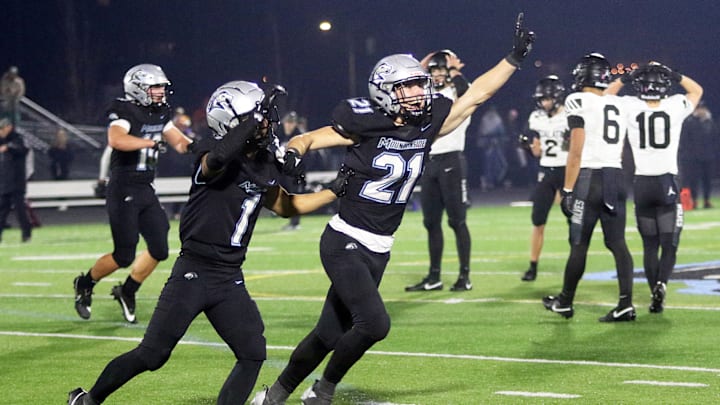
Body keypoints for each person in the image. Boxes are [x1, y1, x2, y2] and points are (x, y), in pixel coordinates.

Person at [252, 13, 534, 405]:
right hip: (344, 239)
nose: (419, 93)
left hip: (380, 246)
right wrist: (294, 155)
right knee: (375, 324)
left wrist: (514, 58)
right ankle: (322, 390)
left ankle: (276, 394)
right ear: (385, 92)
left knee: (329, 333)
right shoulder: (364, 122)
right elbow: (307, 137)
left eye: (419, 84)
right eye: (407, 87)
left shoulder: (427, 122)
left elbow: (476, 95)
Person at [67, 80, 352, 405]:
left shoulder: (262, 160)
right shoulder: (209, 151)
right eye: (256, 118)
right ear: (235, 123)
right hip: (195, 271)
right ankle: (88, 400)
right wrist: (249, 125)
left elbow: (287, 206)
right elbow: (215, 160)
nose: (265, 124)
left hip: (229, 277)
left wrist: (334, 190)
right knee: (152, 355)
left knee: (252, 352)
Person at [72, 64, 193, 323]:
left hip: (145, 188)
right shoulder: (124, 110)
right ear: (138, 89)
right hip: (123, 187)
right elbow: (116, 140)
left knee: (160, 249)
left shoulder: (161, 112)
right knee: (124, 255)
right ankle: (85, 282)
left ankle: (127, 291)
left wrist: (211, 148)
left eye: (161, 86)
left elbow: (181, 143)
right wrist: (150, 142)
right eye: (155, 87)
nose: (160, 92)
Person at [542, 52, 636, 322]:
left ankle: (565, 301)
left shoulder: (576, 100)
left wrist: (568, 190)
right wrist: (624, 77)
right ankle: (626, 304)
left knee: (579, 243)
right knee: (618, 243)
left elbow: (576, 150)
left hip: (589, 179)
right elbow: (608, 96)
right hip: (616, 177)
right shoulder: (617, 104)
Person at [605, 62, 703, 313]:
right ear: (664, 85)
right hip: (667, 181)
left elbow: (607, 96)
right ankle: (661, 283)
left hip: (642, 183)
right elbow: (697, 91)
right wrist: (676, 73)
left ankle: (653, 295)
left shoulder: (630, 106)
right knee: (669, 243)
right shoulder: (674, 105)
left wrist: (627, 77)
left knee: (650, 245)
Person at [405, 49, 473, 292]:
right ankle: (434, 277)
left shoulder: (458, 91)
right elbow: (412, 76)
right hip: (429, 162)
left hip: (452, 161)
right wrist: (428, 61)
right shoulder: (427, 95)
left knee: (457, 221)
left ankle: (465, 276)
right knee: (431, 222)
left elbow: (469, 93)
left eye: (441, 71)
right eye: (433, 71)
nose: (437, 75)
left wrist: (454, 70)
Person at [520, 75, 569, 281]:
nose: (544, 103)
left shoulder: (570, 115)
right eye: (542, 99)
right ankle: (533, 265)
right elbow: (525, 141)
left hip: (567, 171)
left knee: (574, 220)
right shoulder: (536, 117)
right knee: (538, 220)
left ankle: (576, 260)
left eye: (547, 99)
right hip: (546, 172)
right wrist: (532, 148)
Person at [679, 101, 718, 209]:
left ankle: (707, 200)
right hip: (693, 158)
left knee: (707, 180)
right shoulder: (689, 122)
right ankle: (694, 200)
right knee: (693, 180)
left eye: (703, 108)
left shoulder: (709, 122)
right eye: (699, 108)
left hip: (708, 156)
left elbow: (715, 139)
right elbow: (684, 140)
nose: (701, 111)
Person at [0, 117, 32, 243]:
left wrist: (9, 148)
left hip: (17, 183)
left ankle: (26, 234)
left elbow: (22, 150)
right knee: (2, 212)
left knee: (20, 211)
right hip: (4, 183)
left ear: (8, 127)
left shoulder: (18, 139)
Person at [278, 111, 304, 230]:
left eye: (292, 123)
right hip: (283, 172)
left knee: (294, 196)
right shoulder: (279, 135)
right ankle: (290, 220)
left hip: (295, 172)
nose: (289, 125)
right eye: (288, 122)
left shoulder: (299, 136)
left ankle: (295, 223)